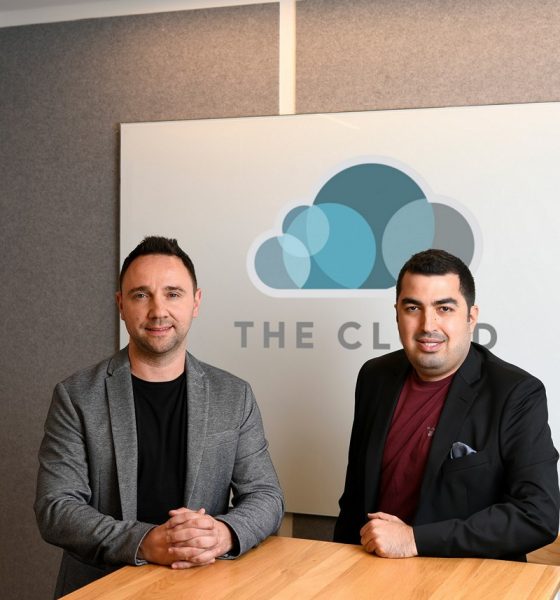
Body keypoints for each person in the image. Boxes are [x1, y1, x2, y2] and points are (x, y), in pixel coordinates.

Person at [35, 236, 284, 598]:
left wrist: (223, 533)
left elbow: (266, 495)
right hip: (101, 589)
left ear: (196, 302)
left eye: (173, 294)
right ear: (121, 305)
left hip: (204, 587)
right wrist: (145, 541)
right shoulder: (76, 397)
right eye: (141, 295)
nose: (158, 310)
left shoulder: (234, 395)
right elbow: (56, 508)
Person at [334, 249, 559, 560]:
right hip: (372, 568)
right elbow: (354, 500)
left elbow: (537, 515)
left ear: (471, 317)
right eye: (413, 307)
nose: (428, 324)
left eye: (444, 308)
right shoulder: (374, 377)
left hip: (468, 576)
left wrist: (415, 540)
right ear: (397, 314)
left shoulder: (516, 393)